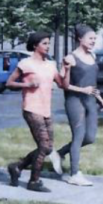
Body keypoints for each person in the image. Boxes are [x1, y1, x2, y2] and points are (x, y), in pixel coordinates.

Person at [5, 31, 71, 192]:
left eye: (49, 43)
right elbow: (9, 83)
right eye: (44, 43)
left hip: (46, 110)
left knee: (48, 147)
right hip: (31, 108)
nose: (48, 46)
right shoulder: (25, 64)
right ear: (35, 45)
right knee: (43, 146)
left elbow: (63, 85)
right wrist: (27, 85)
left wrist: (67, 69)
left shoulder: (50, 64)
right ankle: (34, 181)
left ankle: (17, 166)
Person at [53, 24, 103, 186]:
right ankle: (74, 174)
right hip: (74, 100)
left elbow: (92, 83)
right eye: (90, 38)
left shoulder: (92, 57)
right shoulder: (70, 58)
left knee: (90, 137)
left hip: (90, 100)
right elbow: (62, 84)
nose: (93, 41)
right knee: (78, 136)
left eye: (94, 38)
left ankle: (60, 153)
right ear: (80, 39)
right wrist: (82, 89)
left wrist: (100, 98)